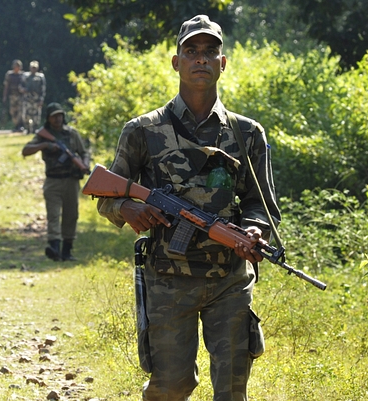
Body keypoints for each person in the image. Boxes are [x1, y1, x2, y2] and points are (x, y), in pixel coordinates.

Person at [96, 15, 281, 401]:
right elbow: (106, 195)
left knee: (232, 389)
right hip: (167, 279)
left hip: (229, 278)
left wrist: (254, 230)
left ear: (222, 63)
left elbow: (260, 203)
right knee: (171, 387)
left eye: (210, 52)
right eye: (191, 51)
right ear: (176, 62)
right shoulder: (142, 130)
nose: (201, 59)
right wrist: (128, 209)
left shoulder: (247, 133)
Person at [22, 102, 90, 261]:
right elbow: (26, 150)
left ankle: (67, 250)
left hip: (71, 181)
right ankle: (54, 248)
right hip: (53, 181)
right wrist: (45, 145)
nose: (58, 119)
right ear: (48, 119)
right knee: (53, 215)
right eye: (54, 116)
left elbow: (83, 152)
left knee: (71, 215)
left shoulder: (72, 134)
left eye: (60, 115)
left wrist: (85, 164)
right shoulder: (42, 135)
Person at [20, 60, 46, 134]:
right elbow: (20, 86)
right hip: (27, 98)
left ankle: (34, 129)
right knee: (26, 115)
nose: (33, 69)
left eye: (35, 68)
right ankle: (28, 129)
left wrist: (41, 99)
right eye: (32, 67)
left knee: (36, 115)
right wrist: (22, 90)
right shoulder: (25, 76)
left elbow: (42, 89)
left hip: (36, 99)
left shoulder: (40, 77)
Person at [2, 59, 25, 132]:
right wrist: (5, 96)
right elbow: (6, 86)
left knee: (20, 111)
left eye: (18, 66)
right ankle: (16, 125)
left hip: (20, 96)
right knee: (13, 111)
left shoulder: (23, 75)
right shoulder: (9, 75)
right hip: (12, 96)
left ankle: (20, 126)